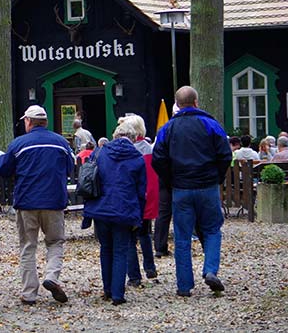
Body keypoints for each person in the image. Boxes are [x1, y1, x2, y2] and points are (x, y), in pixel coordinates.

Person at [152, 86, 232, 297]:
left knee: (182, 237)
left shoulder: (167, 129)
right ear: (196, 102)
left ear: (177, 105)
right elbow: (225, 154)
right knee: (213, 229)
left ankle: (184, 286)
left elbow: (158, 159)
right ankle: (210, 270)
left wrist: (170, 180)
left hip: (181, 188)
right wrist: (218, 177)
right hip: (207, 186)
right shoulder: (211, 125)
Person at [0, 105, 75, 305]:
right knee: (55, 242)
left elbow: (4, 170)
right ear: (45, 122)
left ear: (29, 122)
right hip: (54, 201)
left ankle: (29, 293)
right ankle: (51, 276)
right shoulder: (61, 143)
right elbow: (70, 168)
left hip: (27, 202)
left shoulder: (19, 144)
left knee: (28, 246)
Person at [83, 119, 147, 305]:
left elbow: (90, 178)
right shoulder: (136, 158)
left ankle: (108, 290)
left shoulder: (100, 153)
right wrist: (139, 216)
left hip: (101, 208)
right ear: (133, 138)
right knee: (120, 251)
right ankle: (118, 294)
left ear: (115, 135)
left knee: (106, 249)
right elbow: (141, 192)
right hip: (124, 209)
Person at [122, 115, 159, 288]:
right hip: (147, 197)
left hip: (130, 199)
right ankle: (150, 268)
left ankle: (134, 276)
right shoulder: (150, 150)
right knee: (145, 234)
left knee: (130, 239)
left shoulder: (126, 151)